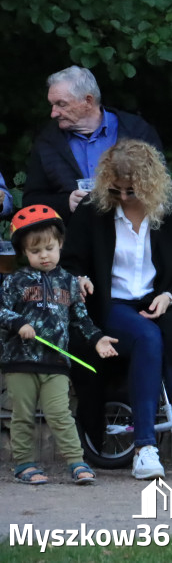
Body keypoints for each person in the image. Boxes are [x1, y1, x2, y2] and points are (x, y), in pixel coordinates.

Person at [62, 139, 172, 481]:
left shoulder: (171, 211)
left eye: (131, 191)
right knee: (147, 338)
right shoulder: (93, 210)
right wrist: (81, 278)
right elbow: (70, 261)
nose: (124, 198)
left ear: (148, 184)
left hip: (162, 298)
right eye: (116, 191)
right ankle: (144, 447)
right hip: (112, 303)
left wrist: (170, 296)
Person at [0, 206, 119, 485]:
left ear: (61, 245)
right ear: (24, 253)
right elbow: (2, 311)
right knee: (23, 416)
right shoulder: (14, 281)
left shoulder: (69, 282)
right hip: (21, 361)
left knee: (60, 414)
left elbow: (81, 319)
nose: (44, 255)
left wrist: (98, 338)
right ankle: (24, 465)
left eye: (50, 248)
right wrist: (19, 323)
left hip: (56, 362)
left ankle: (76, 462)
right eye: (35, 250)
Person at [24, 66, 162, 219]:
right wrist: (66, 203)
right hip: (72, 237)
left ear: (88, 101)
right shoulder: (47, 141)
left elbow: (161, 188)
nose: (53, 113)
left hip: (131, 233)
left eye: (61, 104)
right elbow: (31, 202)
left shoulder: (136, 130)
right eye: (52, 105)